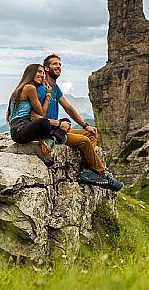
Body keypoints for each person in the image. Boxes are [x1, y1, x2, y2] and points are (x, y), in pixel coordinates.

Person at [33, 53, 123, 192]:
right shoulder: (40, 89)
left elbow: (68, 108)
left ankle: (87, 171)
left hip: (58, 128)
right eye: (55, 64)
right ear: (46, 68)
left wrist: (85, 125)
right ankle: (103, 174)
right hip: (50, 131)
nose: (59, 67)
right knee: (84, 141)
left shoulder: (55, 89)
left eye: (60, 64)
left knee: (90, 134)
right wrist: (57, 123)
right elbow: (35, 116)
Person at [6, 63, 71, 148]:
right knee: (44, 122)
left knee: (66, 121)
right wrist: (48, 94)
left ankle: (52, 139)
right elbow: (42, 113)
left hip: (19, 129)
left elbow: (8, 116)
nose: (42, 75)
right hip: (20, 129)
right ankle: (54, 138)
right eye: (39, 72)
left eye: (43, 73)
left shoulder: (18, 89)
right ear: (31, 73)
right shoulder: (30, 88)